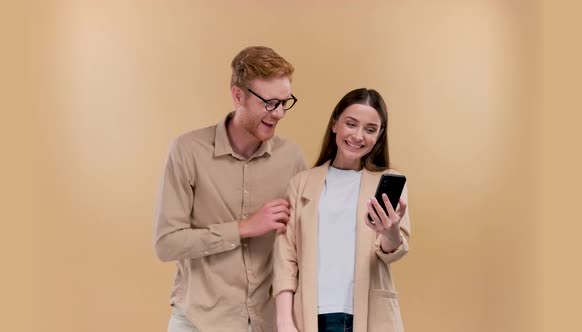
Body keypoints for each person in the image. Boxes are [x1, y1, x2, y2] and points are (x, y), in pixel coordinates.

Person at [153, 46, 307, 332]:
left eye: (286, 102)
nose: (281, 113)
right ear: (238, 96)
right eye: (270, 103)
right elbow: (167, 243)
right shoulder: (188, 151)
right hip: (199, 323)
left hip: (268, 322)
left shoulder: (292, 158)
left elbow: (300, 243)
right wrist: (244, 227)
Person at [273, 88, 411, 332]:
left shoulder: (388, 182)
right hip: (311, 315)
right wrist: (284, 321)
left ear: (379, 136)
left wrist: (390, 232)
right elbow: (286, 257)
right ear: (335, 124)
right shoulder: (301, 183)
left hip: (369, 315)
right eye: (351, 124)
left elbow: (392, 251)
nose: (358, 136)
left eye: (370, 129)